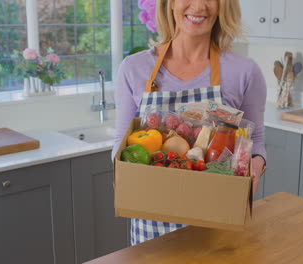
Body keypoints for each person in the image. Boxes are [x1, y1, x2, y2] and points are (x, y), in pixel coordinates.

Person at [112, 0, 267, 245]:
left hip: (218, 221)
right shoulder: (134, 68)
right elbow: (120, 147)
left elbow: (255, 141)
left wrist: (255, 168)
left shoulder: (245, 71)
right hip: (152, 224)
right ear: (170, 3)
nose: (199, 6)